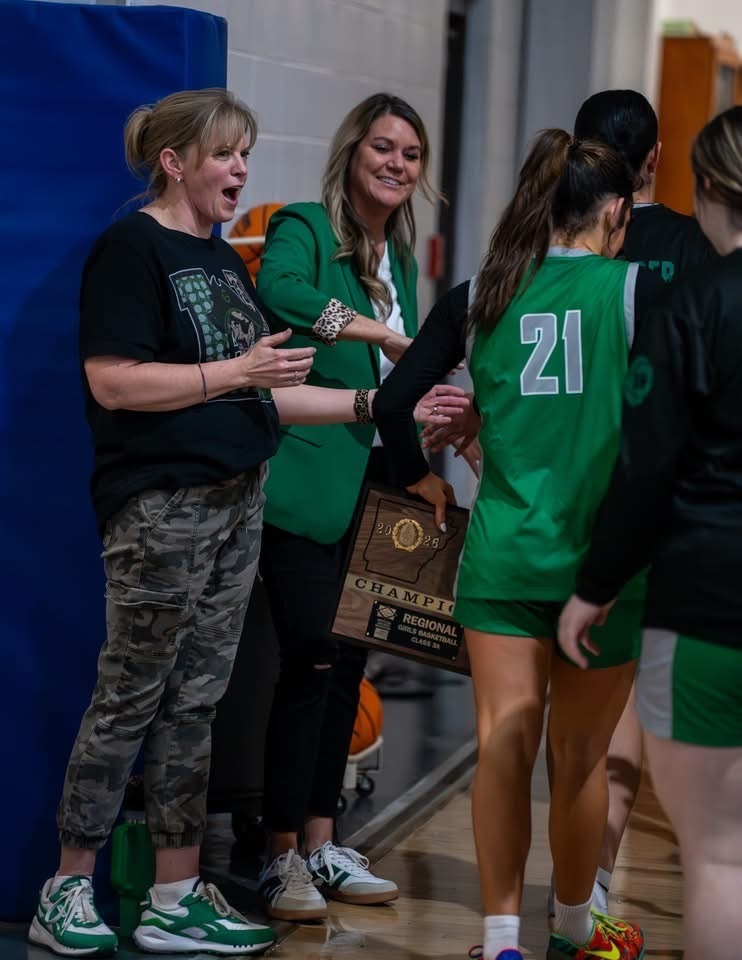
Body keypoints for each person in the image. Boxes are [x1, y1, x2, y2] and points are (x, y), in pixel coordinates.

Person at [28, 87, 463, 960]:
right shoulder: (132, 248)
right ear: (175, 161)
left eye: (246, 155)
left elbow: (271, 388)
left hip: (236, 502)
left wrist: (376, 401)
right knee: (130, 698)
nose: (241, 172)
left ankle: (176, 893)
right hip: (161, 508)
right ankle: (67, 885)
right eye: (227, 155)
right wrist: (232, 372)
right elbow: (114, 381)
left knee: (197, 705)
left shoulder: (225, 263)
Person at [373, 130, 666, 960]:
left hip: (502, 557)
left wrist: (420, 477)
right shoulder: (639, 291)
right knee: (578, 761)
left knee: (502, 741)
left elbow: (397, 401)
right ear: (616, 212)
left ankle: (502, 940)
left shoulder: (482, 294)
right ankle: (574, 927)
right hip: (603, 569)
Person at [254, 92, 445, 921]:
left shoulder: (397, 255)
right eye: (384, 147)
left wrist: (425, 467)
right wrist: (384, 335)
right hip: (307, 479)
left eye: (411, 153)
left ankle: (324, 841)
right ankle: (278, 853)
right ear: (353, 152)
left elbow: (397, 394)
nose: (397, 163)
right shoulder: (305, 225)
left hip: (379, 483)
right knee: (311, 658)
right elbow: (286, 295)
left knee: (351, 665)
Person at [559, 105, 742, 960]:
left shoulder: (692, 301)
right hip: (702, 586)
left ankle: (586, 898)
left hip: (705, 590)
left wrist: (593, 587)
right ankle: (588, 898)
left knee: (718, 859)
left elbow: (648, 464)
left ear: (703, 185)